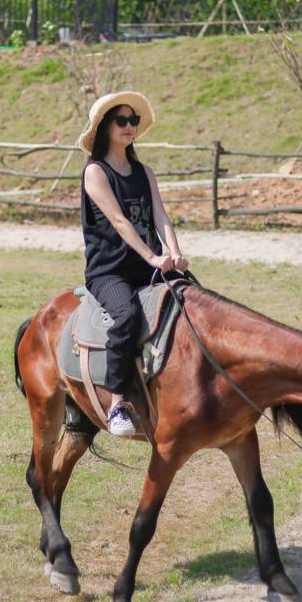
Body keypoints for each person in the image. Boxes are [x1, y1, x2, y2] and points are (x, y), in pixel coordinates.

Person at [76, 91, 189, 436]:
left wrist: (175, 252)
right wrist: (154, 257)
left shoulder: (144, 171)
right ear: (106, 127)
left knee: (196, 302)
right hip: (110, 271)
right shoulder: (96, 172)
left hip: (149, 264)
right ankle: (118, 404)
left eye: (133, 120)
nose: (129, 126)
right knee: (126, 317)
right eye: (121, 120)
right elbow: (121, 221)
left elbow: (161, 216)